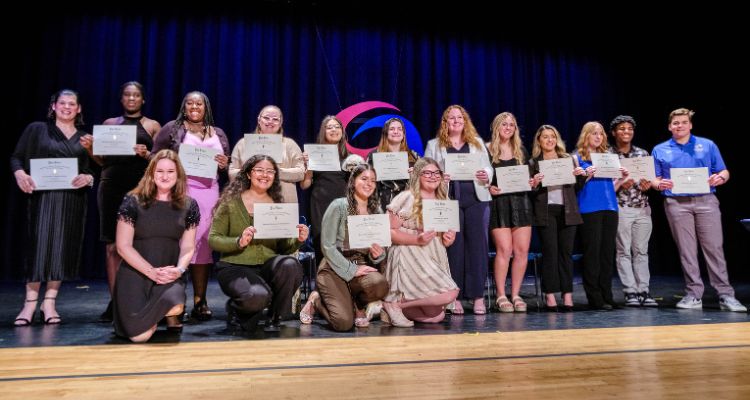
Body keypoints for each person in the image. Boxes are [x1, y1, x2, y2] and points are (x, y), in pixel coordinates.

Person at [10, 89, 94, 326]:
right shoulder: (36, 129)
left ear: (79, 109)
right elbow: (16, 157)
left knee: (60, 249)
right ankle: (28, 304)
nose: (67, 107)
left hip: (71, 201)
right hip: (41, 198)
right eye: (63, 103)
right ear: (54, 106)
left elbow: (91, 170)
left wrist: (87, 179)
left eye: (72, 104)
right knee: (38, 248)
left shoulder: (85, 137)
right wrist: (19, 174)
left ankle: (49, 303)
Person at [79, 81, 161, 322]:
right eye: (127, 94)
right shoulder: (109, 125)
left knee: (144, 244)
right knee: (113, 247)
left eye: (136, 95)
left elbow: (158, 162)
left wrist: (147, 154)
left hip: (142, 188)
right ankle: (116, 301)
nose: (132, 98)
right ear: (122, 98)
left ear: (142, 99)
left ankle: (143, 298)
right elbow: (101, 161)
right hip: (112, 186)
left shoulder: (152, 126)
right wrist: (90, 149)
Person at [652, 108, 746, 312]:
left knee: (714, 248)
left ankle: (726, 295)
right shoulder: (660, 149)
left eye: (684, 122)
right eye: (676, 123)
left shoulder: (707, 145)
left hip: (706, 200)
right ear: (670, 126)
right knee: (687, 251)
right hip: (676, 203)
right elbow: (655, 178)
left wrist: (720, 178)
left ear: (690, 125)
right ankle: (694, 295)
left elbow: (724, 171)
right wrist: (658, 184)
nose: (680, 125)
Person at [152, 91, 230, 321]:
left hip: (209, 193)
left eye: (199, 103)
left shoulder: (218, 132)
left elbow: (225, 164)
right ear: (184, 106)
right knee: (179, 244)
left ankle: (200, 300)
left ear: (206, 107)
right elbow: (155, 157)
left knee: (203, 246)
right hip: (181, 192)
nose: (195, 106)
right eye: (190, 103)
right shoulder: (171, 129)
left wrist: (225, 164)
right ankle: (174, 299)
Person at [208, 155, 306, 332]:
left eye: (270, 171)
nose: (265, 175)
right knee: (257, 296)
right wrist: (239, 241)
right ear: (248, 174)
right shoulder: (230, 202)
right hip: (235, 267)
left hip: (268, 266)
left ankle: (275, 316)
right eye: (259, 170)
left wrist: (297, 240)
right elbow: (214, 239)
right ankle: (237, 308)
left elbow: (284, 247)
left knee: (291, 265)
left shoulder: (277, 204)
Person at [113, 150, 199, 342]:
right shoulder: (132, 201)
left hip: (169, 274)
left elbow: (187, 247)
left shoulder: (189, 205)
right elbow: (123, 246)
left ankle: (167, 313)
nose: (165, 176)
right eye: (160, 171)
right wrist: (151, 272)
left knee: (174, 304)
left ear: (178, 176)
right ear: (151, 173)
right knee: (140, 337)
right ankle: (156, 317)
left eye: (171, 171)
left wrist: (179, 270)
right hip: (136, 272)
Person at [299, 163, 390, 331]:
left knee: (380, 285)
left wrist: (377, 255)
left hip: (360, 264)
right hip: (334, 266)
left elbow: (379, 247)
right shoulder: (339, 206)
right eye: (364, 179)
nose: (368, 184)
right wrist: (350, 269)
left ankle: (357, 303)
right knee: (343, 323)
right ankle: (316, 301)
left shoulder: (376, 210)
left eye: (373, 180)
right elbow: (327, 246)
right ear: (353, 181)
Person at [424, 105, 492, 315]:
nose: (456, 121)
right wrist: (438, 176)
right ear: (445, 122)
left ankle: (478, 297)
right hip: (448, 199)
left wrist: (485, 174)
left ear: (465, 121)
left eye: (459, 117)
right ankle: (456, 296)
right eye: (451, 118)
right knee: (453, 248)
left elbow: (488, 166)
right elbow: (426, 170)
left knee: (478, 248)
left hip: (476, 198)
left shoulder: (477, 143)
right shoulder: (434, 144)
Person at [383, 157, 459, 325]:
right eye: (427, 173)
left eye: (436, 173)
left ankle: (394, 307)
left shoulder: (444, 200)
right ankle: (393, 303)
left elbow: (446, 237)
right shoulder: (406, 197)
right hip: (409, 252)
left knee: (436, 316)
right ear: (417, 175)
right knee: (451, 293)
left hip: (433, 254)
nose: (433, 176)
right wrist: (416, 239)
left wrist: (449, 238)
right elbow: (389, 232)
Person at [528, 125, 586, 312]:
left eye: (553, 136)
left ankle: (567, 294)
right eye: (545, 137)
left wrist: (580, 177)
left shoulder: (568, 159)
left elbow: (577, 187)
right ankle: (550, 294)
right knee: (550, 253)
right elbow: (530, 190)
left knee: (566, 254)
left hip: (567, 211)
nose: (549, 140)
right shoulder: (533, 163)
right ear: (539, 140)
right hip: (546, 212)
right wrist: (534, 183)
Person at [573, 122, 629, 310]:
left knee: (607, 254)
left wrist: (621, 178)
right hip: (589, 209)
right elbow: (575, 188)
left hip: (610, 207)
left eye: (601, 133)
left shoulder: (608, 157)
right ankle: (594, 296)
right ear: (586, 136)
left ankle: (607, 295)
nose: (598, 137)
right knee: (592, 254)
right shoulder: (577, 157)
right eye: (594, 133)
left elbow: (610, 187)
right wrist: (586, 175)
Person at [486, 112, 534, 313]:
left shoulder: (521, 150)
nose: (508, 128)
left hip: (521, 202)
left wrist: (532, 182)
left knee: (521, 251)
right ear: (496, 126)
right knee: (504, 250)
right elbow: (480, 177)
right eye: (504, 124)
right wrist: (488, 187)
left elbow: (528, 177)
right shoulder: (486, 149)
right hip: (499, 204)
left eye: (512, 125)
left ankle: (515, 293)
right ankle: (500, 294)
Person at [609, 115, 657, 307]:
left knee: (641, 251)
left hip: (642, 208)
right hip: (621, 208)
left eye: (629, 128)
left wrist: (648, 185)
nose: (626, 131)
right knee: (623, 252)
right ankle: (630, 291)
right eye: (621, 128)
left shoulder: (642, 153)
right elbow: (605, 187)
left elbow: (650, 179)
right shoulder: (608, 155)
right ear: (614, 132)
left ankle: (644, 290)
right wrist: (619, 183)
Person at [229, 105, 305, 203]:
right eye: (266, 118)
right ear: (259, 120)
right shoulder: (243, 143)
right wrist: (249, 172)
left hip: (282, 204)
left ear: (281, 123)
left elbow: (301, 173)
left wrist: (275, 172)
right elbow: (232, 174)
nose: (270, 121)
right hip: (250, 203)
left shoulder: (290, 144)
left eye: (275, 119)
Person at [300, 115, 350, 264]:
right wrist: (307, 166)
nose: (334, 130)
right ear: (324, 132)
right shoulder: (314, 155)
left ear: (342, 131)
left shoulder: (350, 157)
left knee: (342, 247)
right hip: (320, 206)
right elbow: (304, 185)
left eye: (337, 127)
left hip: (343, 206)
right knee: (322, 246)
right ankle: (322, 284)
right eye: (329, 127)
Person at [366, 117, 420, 211]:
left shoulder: (414, 156)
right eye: (392, 129)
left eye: (400, 129)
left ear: (403, 134)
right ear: (385, 133)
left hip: (407, 204)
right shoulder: (374, 155)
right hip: (380, 203)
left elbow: (424, 181)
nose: (396, 132)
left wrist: (416, 175)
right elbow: (366, 180)